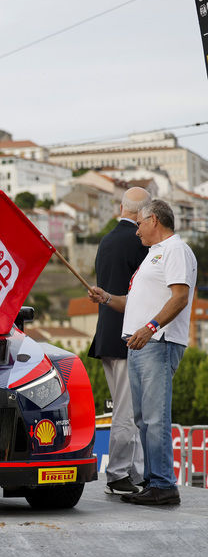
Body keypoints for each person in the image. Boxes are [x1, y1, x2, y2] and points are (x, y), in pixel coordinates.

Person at [88, 199, 196, 506]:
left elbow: (180, 297)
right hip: (140, 344)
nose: (136, 231)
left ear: (154, 221)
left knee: (154, 417)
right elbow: (132, 303)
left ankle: (163, 484)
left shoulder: (175, 250)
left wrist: (150, 328)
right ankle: (153, 481)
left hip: (157, 343)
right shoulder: (153, 255)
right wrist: (106, 297)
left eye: (139, 225)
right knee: (144, 419)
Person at [88, 187, 149, 495]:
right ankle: (118, 474)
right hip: (130, 336)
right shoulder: (139, 242)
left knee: (126, 408)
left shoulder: (107, 240)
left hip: (107, 335)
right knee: (128, 411)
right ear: (143, 213)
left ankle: (134, 472)